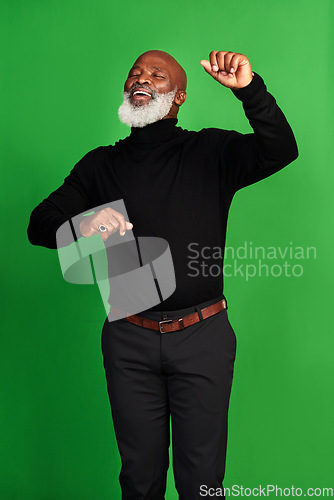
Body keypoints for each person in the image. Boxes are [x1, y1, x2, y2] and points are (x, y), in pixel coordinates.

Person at [27, 49, 299, 499]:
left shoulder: (210, 151)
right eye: (136, 72)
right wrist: (82, 225)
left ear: (178, 97)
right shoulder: (99, 165)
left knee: (202, 484)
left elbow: (281, 149)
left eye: (157, 74)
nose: (143, 78)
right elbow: (39, 223)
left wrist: (250, 91)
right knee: (139, 481)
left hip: (203, 336)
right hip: (128, 342)